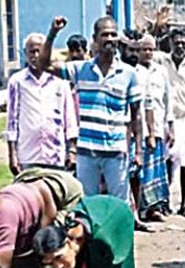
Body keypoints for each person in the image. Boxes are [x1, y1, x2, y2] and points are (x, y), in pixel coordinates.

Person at [38, 15, 143, 202]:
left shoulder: (129, 74)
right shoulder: (81, 70)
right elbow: (43, 65)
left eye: (113, 34)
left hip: (116, 152)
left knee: (119, 205)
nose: (110, 39)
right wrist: (53, 33)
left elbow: (136, 115)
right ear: (95, 39)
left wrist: (138, 152)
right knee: (88, 204)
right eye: (105, 35)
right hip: (87, 151)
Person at [152, 8, 185, 217]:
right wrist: (158, 25)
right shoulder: (160, 60)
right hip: (163, 120)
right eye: (177, 42)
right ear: (171, 43)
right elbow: (146, 44)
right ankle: (164, 202)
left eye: (183, 42)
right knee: (164, 160)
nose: (180, 45)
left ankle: (184, 203)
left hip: (184, 120)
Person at [5, 33, 78, 175]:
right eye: (32, 51)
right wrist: (12, 155)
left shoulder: (60, 82)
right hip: (28, 155)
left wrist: (72, 151)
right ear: (25, 54)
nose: (36, 55)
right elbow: (12, 121)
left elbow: (69, 119)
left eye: (40, 51)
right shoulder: (17, 82)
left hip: (55, 154)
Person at [135, 34, 173, 220]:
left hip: (158, 126)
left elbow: (168, 99)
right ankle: (141, 209)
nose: (147, 53)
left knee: (157, 170)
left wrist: (170, 126)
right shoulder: (133, 72)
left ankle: (155, 208)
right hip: (139, 129)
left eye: (150, 49)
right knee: (141, 171)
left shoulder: (161, 71)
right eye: (144, 49)